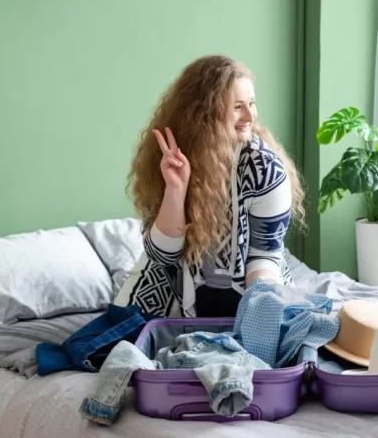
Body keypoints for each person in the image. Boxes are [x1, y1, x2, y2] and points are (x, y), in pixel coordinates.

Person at [114, 55, 306, 318]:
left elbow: (265, 256)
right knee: (110, 340)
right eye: (238, 106)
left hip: (252, 288)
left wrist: (260, 313)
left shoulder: (265, 168)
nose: (250, 115)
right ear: (205, 112)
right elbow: (162, 256)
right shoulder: (172, 156)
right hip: (183, 287)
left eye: (252, 103)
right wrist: (175, 190)